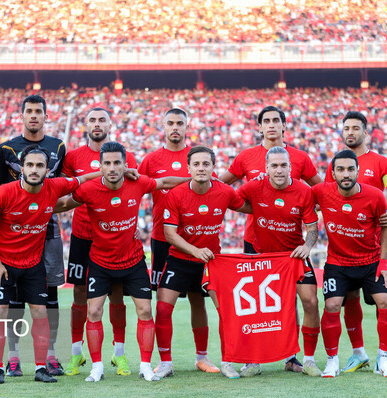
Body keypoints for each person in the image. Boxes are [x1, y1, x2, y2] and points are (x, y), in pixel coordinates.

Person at [55, 142, 189, 382]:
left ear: (126, 165)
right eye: (107, 163)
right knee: (94, 311)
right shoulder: (88, 189)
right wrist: (27, 206)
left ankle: (146, 366)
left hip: (133, 260)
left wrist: (196, 180)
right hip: (100, 261)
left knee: (146, 310)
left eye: (117, 163)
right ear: (101, 166)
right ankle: (97, 367)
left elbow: (165, 182)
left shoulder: (137, 183)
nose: (112, 167)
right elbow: (64, 204)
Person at [0, 144, 101, 384]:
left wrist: (114, 172)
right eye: (30, 165)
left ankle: (39, 368)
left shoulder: (55, 186)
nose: (34, 170)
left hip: (33, 264)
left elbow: (83, 178)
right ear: (21, 168)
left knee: (40, 313)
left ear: (47, 170)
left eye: (40, 166)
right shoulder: (4, 192)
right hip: (3, 264)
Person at [219, 105, 322, 373]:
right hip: (257, 243)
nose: (272, 125)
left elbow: (321, 191)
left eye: (277, 120)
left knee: (306, 301)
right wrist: (259, 208)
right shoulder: (247, 162)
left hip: (293, 248)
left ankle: (299, 358)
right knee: (258, 306)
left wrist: (306, 238)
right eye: (267, 121)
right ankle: (254, 359)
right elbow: (225, 191)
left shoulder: (301, 162)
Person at [155, 146, 251, 379]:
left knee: (223, 311)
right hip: (180, 259)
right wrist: (195, 251)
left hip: (211, 261)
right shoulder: (176, 194)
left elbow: (249, 207)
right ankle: (166, 362)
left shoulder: (225, 191)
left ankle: (218, 360)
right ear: (188, 168)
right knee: (162, 308)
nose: (201, 168)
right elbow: (169, 234)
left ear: (213, 167)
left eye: (205, 164)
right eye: (196, 164)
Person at [138, 108, 219, 374]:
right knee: (162, 302)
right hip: (164, 240)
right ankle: (165, 361)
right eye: (170, 123)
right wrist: (134, 224)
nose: (175, 127)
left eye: (179, 123)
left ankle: (202, 357)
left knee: (199, 299)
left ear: (186, 126)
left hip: (198, 241)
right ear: (163, 125)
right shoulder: (151, 159)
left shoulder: (198, 158)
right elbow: (136, 189)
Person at [0, 94, 66, 377]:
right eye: (29, 111)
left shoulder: (57, 146)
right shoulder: (7, 148)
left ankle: (49, 355)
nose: (34, 116)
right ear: (21, 115)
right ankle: (12, 357)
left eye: (39, 112)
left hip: (48, 230)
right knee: (14, 299)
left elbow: (62, 186)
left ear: (46, 116)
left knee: (49, 296)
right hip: (15, 232)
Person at [325, 111, 387, 374]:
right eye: (346, 128)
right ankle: (358, 353)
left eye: (355, 128)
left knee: (382, 299)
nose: (350, 132)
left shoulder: (380, 162)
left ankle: (384, 356)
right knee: (348, 299)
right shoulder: (336, 164)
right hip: (344, 250)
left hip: (374, 247)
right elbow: (327, 196)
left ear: (365, 131)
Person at [61, 107, 138, 376]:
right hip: (83, 235)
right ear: (86, 124)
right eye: (92, 120)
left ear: (109, 123)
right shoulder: (73, 157)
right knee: (80, 295)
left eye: (101, 120)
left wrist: (135, 228)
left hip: (114, 238)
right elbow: (66, 189)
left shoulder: (121, 156)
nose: (97, 124)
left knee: (116, 295)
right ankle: (76, 354)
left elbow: (132, 193)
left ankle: (119, 355)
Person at [236, 146, 322, 377]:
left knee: (311, 302)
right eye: (274, 165)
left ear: (291, 167)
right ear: (266, 168)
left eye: (283, 165)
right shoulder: (254, 187)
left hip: (294, 256)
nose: (279, 169)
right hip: (264, 258)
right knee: (258, 311)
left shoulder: (304, 191)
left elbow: (312, 228)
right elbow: (231, 200)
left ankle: (309, 360)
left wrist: (307, 246)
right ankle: (253, 361)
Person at [312, 150, 387, 378]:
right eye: (340, 169)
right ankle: (332, 360)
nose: (346, 173)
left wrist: (383, 263)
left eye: (350, 169)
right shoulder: (320, 192)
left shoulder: (375, 196)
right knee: (331, 306)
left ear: (358, 171)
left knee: (386, 301)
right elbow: (297, 199)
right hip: (338, 263)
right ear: (332, 173)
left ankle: (384, 359)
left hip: (370, 261)